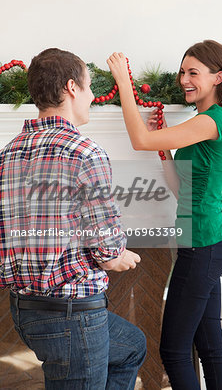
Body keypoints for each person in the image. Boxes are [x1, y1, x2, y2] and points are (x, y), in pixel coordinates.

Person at [107, 40, 222, 390]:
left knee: (173, 351)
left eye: (194, 73)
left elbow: (140, 139)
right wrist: (168, 154)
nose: (184, 79)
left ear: (218, 77)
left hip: (202, 245)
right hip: (207, 241)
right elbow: (181, 189)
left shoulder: (211, 119)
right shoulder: (208, 121)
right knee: (211, 349)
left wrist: (124, 83)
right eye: (182, 71)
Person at [0, 48, 146, 390]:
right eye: (90, 85)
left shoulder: (7, 154)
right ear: (71, 87)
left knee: (131, 346)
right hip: (70, 314)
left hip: (24, 311)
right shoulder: (86, 153)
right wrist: (119, 257)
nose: (93, 95)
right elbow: (107, 250)